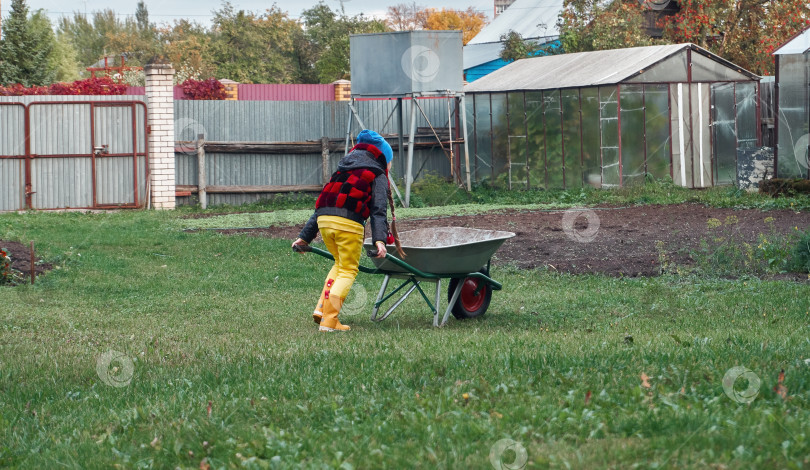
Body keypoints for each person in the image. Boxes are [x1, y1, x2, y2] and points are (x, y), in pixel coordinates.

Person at [292, 130, 404, 332]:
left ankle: (321, 310)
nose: (389, 166)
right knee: (349, 270)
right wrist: (380, 240)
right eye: (389, 161)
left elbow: (323, 205)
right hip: (348, 223)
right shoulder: (376, 173)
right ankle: (330, 321)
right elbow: (378, 210)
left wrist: (304, 237)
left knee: (339, 265)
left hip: (325, 221)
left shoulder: (342, 171)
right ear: (382, 156)